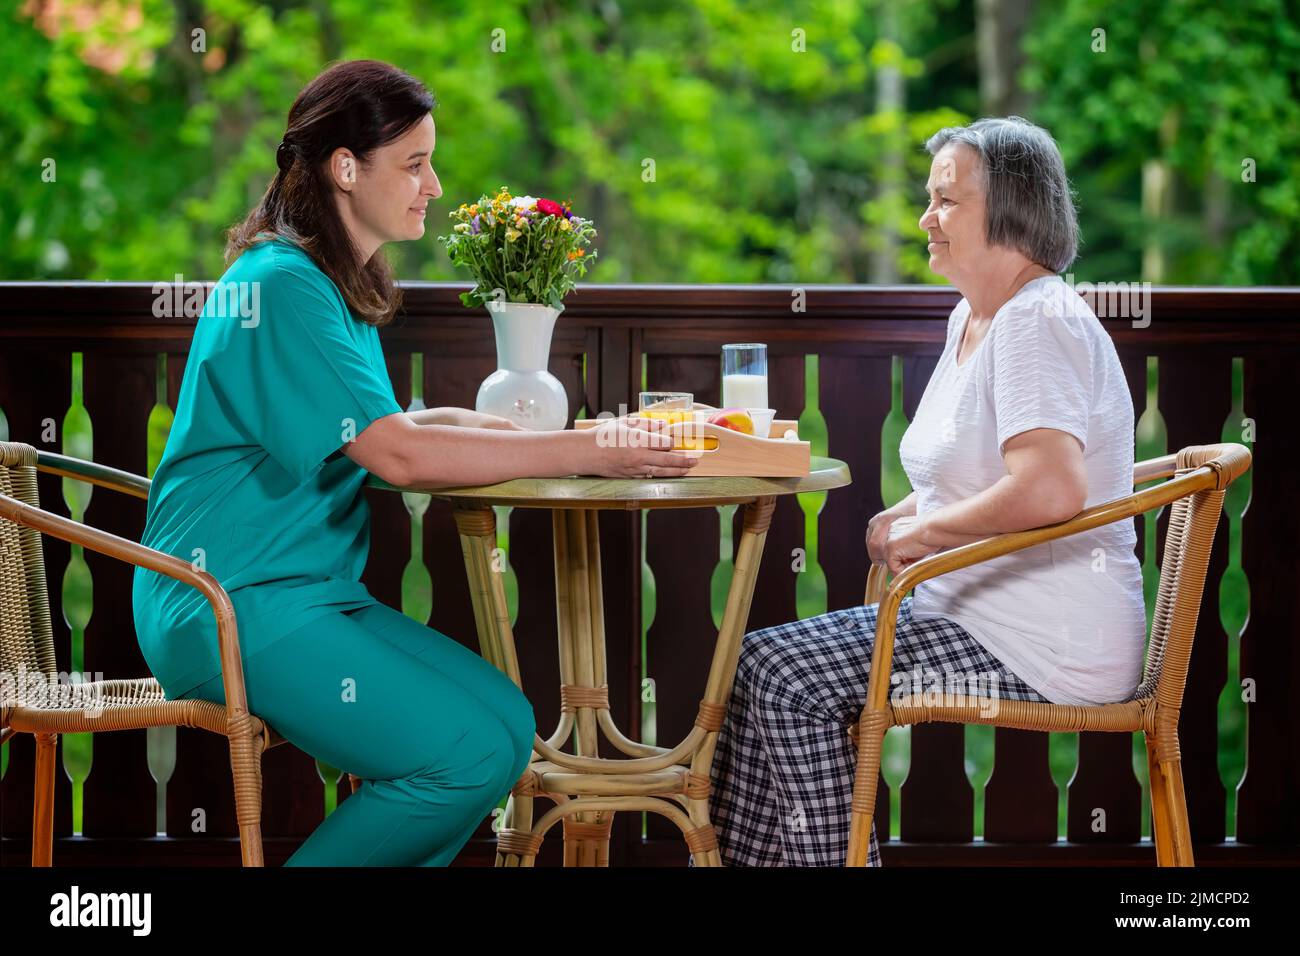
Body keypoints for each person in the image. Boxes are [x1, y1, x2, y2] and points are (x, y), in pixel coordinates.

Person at [131, 59, 699, 867]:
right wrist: (595, 446)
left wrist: (476, 423)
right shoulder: (279, 285)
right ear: (345, 167)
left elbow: (378, 426)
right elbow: (395, 455)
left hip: (305, 593)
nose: (432, 186)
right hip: (225, 600)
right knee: (458, 755)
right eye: (415, 164)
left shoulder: (326, 281)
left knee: (503, 729)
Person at [703, 116, 1146, 867]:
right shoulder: (976, 316)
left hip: (1046, 641)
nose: (926, 217)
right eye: (929, 198)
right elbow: (977, 469)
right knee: (758, 667)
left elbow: (1048, 489)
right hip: (977, 612)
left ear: (1011, 208)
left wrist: (923, 536)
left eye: (947, 200)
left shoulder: (1036, 321)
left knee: (781, 673)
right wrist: (910, 510)